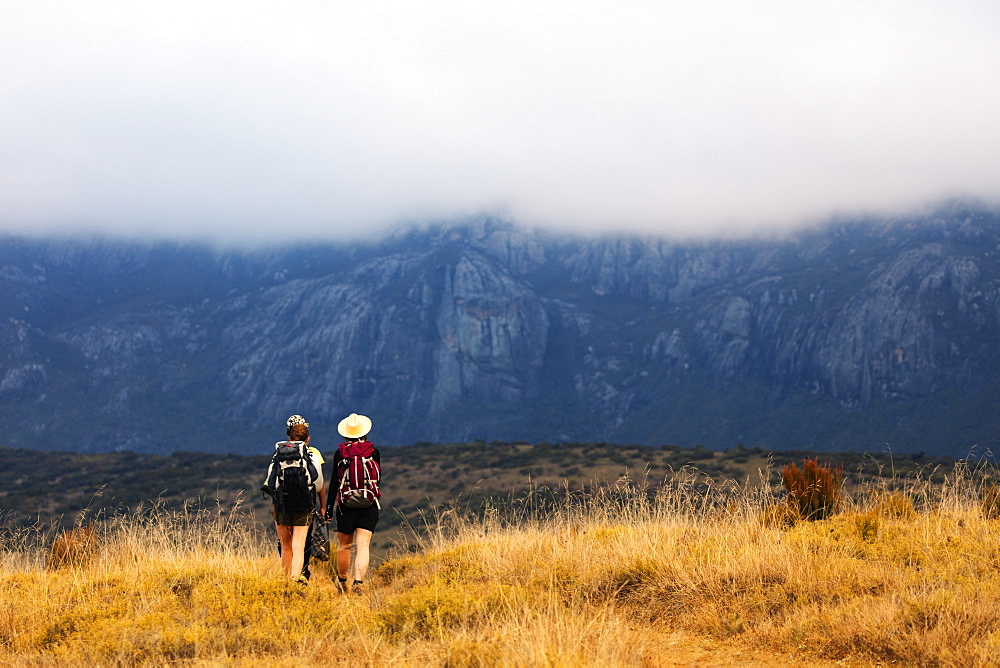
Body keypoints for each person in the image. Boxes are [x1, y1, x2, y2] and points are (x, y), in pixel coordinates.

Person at [264, 414, 325, 583]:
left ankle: (284, 581)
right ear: (308, 437)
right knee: (299, 545)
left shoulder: (279, 455)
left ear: (288, 435)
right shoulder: (311, 456)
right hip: (303, 505)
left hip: (282, 505)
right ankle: (296, 580)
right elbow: (318, 484)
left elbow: (271, 482)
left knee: (285, 545)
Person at [329, 412, 381, 593]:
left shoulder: (340, 454)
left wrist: (328, 509)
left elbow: (335, 483)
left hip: (345, 506)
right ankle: (358, 582)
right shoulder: (374, 452)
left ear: (345, 434)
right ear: (364, 432)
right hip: (369, 504)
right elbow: (377, 480)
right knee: (363, 545)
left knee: (344, 545)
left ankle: (342, 580)